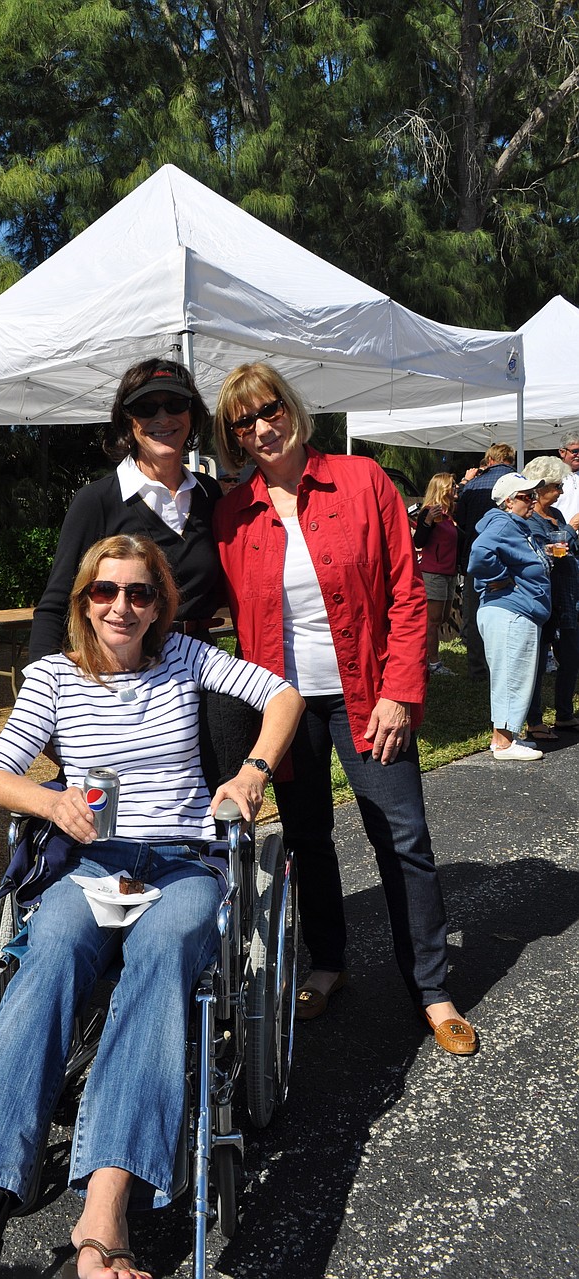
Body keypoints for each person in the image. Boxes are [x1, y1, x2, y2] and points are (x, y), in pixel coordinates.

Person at [0, 534, 302, 1279]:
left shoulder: (188, 658)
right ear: (83, 600)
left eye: (140, 593)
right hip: (94, 861)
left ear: (160, 604)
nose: (123, 606)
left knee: (164, 957)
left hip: (182, 860)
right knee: (47, 956)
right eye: (106, 591)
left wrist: (252, 772)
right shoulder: (53, 677)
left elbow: (284, 694)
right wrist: (51, 800)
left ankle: (102, 1222)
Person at [212, 362, 477, 1057]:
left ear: (291, 408)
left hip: (369, 695)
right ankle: (328, 962)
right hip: (286, 705)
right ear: (235, 438)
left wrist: (400, 690)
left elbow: (406, 593)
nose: (262, 426)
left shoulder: (361, 481)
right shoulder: (233, 513)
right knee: (306, 837)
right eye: (244, 421)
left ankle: (432, 987)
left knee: (403, 837)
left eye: (268, 408)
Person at [29, 358, 247, 784]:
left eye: (175, 404)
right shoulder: (98, 501)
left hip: (200, 675)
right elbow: (55, 605)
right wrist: (44, 708)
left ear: (193, 415)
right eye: (146, 408)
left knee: (219, 808)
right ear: (128, 423)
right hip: (122, 685)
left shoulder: (208, 495)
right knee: (128, 812)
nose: (162, 417)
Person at [467, 472, 552, 761]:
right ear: (508, 501)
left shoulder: (516, 524)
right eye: (526, 496)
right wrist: (501, 577)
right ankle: (503, 744)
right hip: (510, 612)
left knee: (513, 674)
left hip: (514, 611)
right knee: (510, 675)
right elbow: (479, 554)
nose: (533, 501)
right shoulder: (503, 522)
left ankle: (505, 738)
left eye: (533, 495)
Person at [523, 456, 579, 736]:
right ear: (540, 487)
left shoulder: (554, 515)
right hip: (544, 597)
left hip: (567, 597)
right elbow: (545, 551)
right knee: (536, 664)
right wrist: (571, 529)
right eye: (556, 486)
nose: (561, 492)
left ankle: (564, 714)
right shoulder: (530, 519)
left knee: (570, 657)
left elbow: (566, 550)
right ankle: (534, 721)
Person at [454, 443, 517, 680]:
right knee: (508, 611)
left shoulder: (471, 486)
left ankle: (477, 669)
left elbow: (460, 522)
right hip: (510, 557)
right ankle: (505, 668)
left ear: (489, 460)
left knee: (475, 612)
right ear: (510, 459)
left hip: (476, 556)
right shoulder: (520, 483)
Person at [413, 472, 460, 676]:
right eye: (452, 486)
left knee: (441, 618)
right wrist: (427, 522)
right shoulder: (429, 512)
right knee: (431, 621)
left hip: (449, 572)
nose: (456, 488)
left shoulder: (449, 515)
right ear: (442, 489)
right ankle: (433, 663)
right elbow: (419, 542)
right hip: (433, 572)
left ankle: (425, 657)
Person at [556, 431, 579, 528]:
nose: (578, 455)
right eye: (575, 451)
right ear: (562, 452)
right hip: (561, 533)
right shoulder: (553, 476)